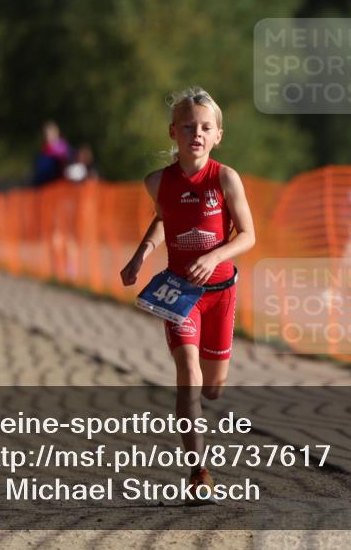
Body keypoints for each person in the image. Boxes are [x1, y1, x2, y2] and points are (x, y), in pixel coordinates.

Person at [120, 87, 256, 494]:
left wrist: (214, 258)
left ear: (218, 135)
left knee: (212, 388)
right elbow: (164, 218)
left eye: (205, 128)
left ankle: (208, 406)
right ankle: (199, 473)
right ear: (173, 132)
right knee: (189, 376)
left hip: (221, 293)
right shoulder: (157, 181)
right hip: (181, 294)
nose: (197, 134)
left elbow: (248, 235)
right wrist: (140, 256)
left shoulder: (225, 178)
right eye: (188, 127)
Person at [32, 121, 71, 186]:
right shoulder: (42, 154)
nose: (51, 137)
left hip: (61, 182)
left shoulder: (65, 149)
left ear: (57, 134)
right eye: (48, 134)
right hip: (47, 184)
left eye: (53, 133)